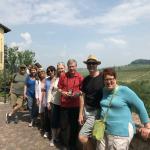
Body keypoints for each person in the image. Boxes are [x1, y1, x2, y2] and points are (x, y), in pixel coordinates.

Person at [97, 68, 150, 150]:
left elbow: (140, 105)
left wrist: (147, 126)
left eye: (111, 79)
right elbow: (103, 106)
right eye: (106, 79)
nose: (108, 82)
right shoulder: (104, 91)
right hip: (103, 131)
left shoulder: (124, 91)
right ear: (103, 81)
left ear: (115, 79)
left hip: (120, 132)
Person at [78, 55, 103, 150]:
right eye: (89, 63)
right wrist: (81, 113)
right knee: (91, 137)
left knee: (82, 136)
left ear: (97, 65)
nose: (91, 65)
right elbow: (82, 96)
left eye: (93, 63)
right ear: (87, 65)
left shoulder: (103, 77)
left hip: (97, 113)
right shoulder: (86, 79)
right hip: (86, 111)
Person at [58, 59, 83, 150]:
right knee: (64, 126)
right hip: (64, 105)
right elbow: (59, 88)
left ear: (76, 66)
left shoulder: (80, 77)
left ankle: (72, 145)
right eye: (70, 66)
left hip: (75, 106)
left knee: (74, 127)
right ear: (67, 67)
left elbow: (82, 90)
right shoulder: (63, 76)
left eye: (73, 66)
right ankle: (64, 145)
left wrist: (77, 93)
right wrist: (63, 92)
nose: (71, 68)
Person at [47, 62, 66, 147]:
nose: (61, 70)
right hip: (54, 102)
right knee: (54, 122)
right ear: (57, 69)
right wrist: (48, 102)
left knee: (61, 123)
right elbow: (49, 91)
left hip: (64, 104)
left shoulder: (67, 77)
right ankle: (53, 138)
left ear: (65, 68)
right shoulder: (55, 78)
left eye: (62, 68)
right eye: (59, 68)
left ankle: (56, 137)